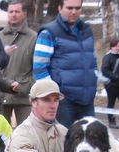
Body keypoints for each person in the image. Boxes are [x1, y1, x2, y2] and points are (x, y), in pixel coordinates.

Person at [33, 0, 98, 128]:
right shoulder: (48, 33)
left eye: (77, 8)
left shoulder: (87, 30)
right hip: (63, 101)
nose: (74, 12)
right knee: (63, 143)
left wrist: (95, 78)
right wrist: (52, 95)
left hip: (87, 99)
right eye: (69, 8)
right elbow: (39, 68)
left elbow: (92, 60)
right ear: (59, 8)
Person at [0, 0, 36, 126]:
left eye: (17, 11)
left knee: (26, 135)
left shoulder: (34, 38)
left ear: (24, 13)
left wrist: (25, 87)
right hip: (2, 95)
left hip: (24, 96)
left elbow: (37, 69)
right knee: (0, 137)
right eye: (11, 11)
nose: (13, 14)